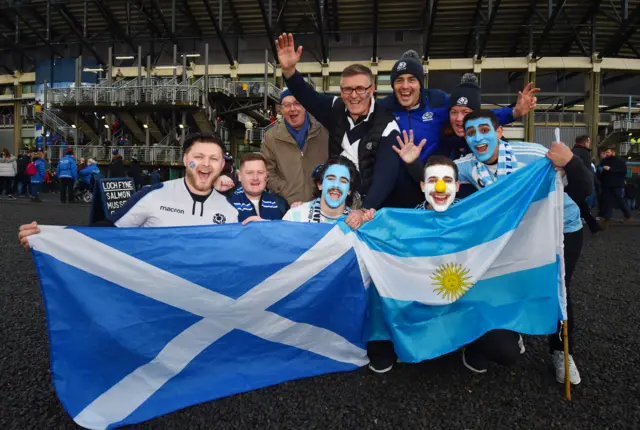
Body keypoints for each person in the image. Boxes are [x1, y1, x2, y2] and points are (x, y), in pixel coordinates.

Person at [451, 110, 591, 384]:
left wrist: (571, 161)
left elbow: (585, 189)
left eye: (484, 130)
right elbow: (436, 174)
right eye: (470, 133)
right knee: (510, 283)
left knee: (558, 288)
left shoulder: (535, 155)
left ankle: (561, 353)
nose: (478, 137)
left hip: (561, 229)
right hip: (518, 235)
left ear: (499, 132)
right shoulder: (467, 166)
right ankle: (514, 331)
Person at [276, 33, 422, 218]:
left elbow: (385, 178)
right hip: (336, 203)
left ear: (372, 89)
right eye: (347, 89)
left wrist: (364, 210)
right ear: (341, 91)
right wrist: (289, 71)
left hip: (372, 210)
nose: (354, 96)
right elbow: (307, 95)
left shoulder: (387, 125)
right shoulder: (335, 108)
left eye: (361, 89)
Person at [19, 134, 239, 248]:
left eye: (213, 159)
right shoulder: (154, 194)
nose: (205, 164)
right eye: (198, 157)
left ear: (222, 165)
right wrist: (48, 239)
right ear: (185, 160)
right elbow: (106, 231)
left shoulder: (230, 211)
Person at [379, 51, 539, 162]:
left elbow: (474, 116)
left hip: (428, 178)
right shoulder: (384, 107)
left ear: (420, 83)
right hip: (394, 181)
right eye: (399, 80)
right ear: (393, 85)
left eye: (412, 79)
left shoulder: (437, 100)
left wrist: (513, 113)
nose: (405, 86)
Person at [260, 89, 329, 204]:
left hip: (321, 205)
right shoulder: (271, 137)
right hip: (287, 205)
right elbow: (268, 171)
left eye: (297, 103)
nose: (292, 109)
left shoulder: (324, 132)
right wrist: (287, 192)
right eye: (287, 105)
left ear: (306, 106)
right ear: (281, 110)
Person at [281, 156, 372, 224]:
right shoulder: (295, 216)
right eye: (331, 179)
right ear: (320, 184)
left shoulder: (357, 222)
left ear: (349, 190)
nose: (336, 185)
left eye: (343, 181)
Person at [228, 152, 289, 224]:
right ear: (239, 176)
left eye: (260, 172)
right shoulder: (227, 202)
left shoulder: (280, 204)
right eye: (249, 173)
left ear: (267, 175)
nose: (255, 178)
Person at [571, 135, 600, 233]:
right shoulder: (584, 153)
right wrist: (593, 184)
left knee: (582, 206)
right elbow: (587, 171)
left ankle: (594, 226)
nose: (589, 144)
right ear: (585, 142)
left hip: (573, 184)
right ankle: (593, 226)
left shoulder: (573, 151)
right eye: (589, 142)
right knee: (582, 206)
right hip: (580, 185)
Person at [598, 144, 632, 225]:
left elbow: (623, 171)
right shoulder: (604, 161)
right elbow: (599, 169)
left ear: (613, 152)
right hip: (607, 184)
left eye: (608, 152)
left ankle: (628, 215)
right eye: (606, 152)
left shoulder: (620, 161)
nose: (606, 154)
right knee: (607, 201)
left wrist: (611, 169)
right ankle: (607, 217)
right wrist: (601, 170)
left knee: (619, 200)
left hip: (617, 184)